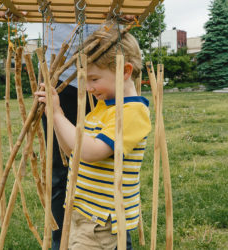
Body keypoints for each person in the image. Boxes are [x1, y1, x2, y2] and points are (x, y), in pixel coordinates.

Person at [36, 24, 151, 249]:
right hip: (84, 213)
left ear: (125, 71)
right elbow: (72, 151)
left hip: (101, 224)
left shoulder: (132, 113)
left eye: (94, 79)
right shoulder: (103, 107)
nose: (87, 87)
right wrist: (54, 115)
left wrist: (58, 114)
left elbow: (91, 152)